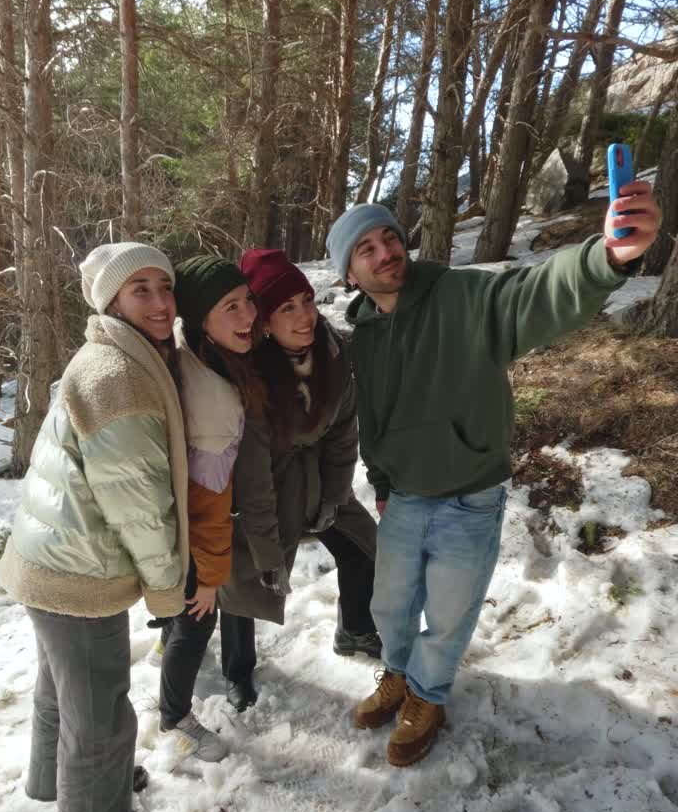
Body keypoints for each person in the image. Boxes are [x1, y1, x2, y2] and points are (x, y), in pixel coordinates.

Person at [326, 181, 662, 767]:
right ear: (349, 273)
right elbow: (373, 422)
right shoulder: (365, 339)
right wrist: (380, 484)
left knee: (450, 614)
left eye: (389, 239)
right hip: (403, 496)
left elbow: (531, 293)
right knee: (390, 607)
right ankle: (398, 677)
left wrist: (605, 255)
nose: (385, 253)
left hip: (468, 497)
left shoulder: (461, 295)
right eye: (366, 249)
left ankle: (428, 697)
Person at [0, 243, 192, 812]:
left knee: (62, 688)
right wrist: (167, 588)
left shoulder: (110, 355)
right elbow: (137, 502)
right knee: (102, 711)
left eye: (165, 287)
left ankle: (63, 784)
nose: (161, 303)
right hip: (78, 570)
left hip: (50, 556)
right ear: (112, 301)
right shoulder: (117, 376)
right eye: (142, 291)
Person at [218, 248, 379, 711]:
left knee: (364, 546)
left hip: (320, 480)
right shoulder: (250, 374)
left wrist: (334, 495)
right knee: (241, 573)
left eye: (306, 300)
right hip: (265, 488)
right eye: (286, 307)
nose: (305, 315)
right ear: (264, 320)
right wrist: (268, 549)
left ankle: (356, 628)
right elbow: (254, 477)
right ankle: (237, 668)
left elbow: (344, 434)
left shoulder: (335, 353)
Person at [156, 255, 264, 754]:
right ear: (202, 319)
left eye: (248, 302)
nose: (248, 317)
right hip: (194, 538)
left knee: (185, 614)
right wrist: (211, 574)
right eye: (231, 307)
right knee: (199, 618)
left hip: (172, 529)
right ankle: (176, 718)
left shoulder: (191, 353)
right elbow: (208, 505)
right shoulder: (214, 404)